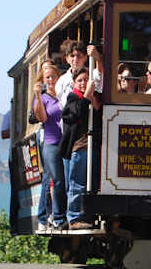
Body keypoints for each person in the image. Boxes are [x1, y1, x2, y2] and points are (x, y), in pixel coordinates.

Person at [59, 67, 100, 230]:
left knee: (92, 183)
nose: (83, 84)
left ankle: (88, 215)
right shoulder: (72, 98)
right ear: (74, 83)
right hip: (80, 147)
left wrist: (92, 97)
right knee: (77, 184)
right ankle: (74, 217)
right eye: (80, 81)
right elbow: (76, 115)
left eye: (85, 80)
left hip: (93, 146)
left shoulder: (94, 98)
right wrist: (86, 97)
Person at [33, 64, 67, 230]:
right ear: (43, 80)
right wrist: (38, 96)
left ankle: (49, 217)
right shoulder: (43, 98)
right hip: (51, 143)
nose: (52, 80)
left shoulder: (63, 95)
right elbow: (42, 118)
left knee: (54, 180)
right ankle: (53, 217)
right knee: (56, 179)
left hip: (66, 142)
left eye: (54, 76)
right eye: (48, 77)